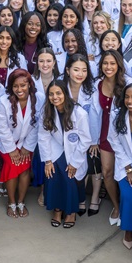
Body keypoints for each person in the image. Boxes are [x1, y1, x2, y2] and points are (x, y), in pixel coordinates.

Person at [40, 79, 91, 229]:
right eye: (51, 94)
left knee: (69, 177)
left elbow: (85, 140)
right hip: (55, 150)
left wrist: (75, 162)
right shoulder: (47, 111)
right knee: (52, 174)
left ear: (65, 93)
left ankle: (70, 212)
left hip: (75, 152)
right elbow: (43, 136)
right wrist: (48, 160)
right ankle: (57, 209)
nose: (55, 97)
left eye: (58, 93)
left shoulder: (79, 113)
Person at [0, 69, 39, 220]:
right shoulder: (4, 101)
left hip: (27, 143)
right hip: (7, 144)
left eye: (23, 85)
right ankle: (11, 202)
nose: (19, 89)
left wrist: (27, 146)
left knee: (25, 169)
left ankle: (21, 201)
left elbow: (37, 125)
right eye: (15, 86)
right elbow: (1, 126)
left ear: (29, 85)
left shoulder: (38, 99)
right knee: (12, 167)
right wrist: (12, 149)